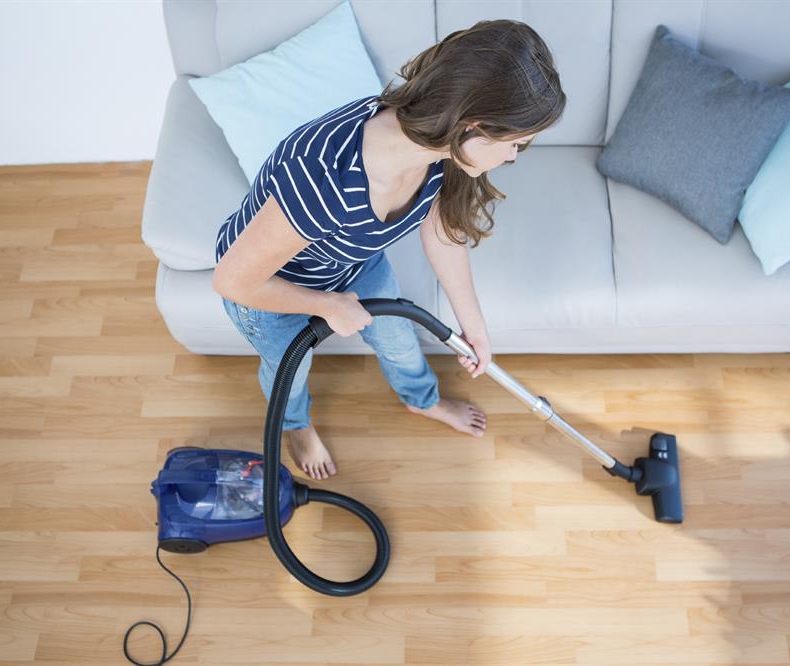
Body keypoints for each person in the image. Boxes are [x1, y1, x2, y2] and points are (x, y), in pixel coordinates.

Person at [212, 19, 566, 481]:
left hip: (351, 264)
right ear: (474, 126)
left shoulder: (440, 147)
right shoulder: (324, 179)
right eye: (515, 143)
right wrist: (326, 305)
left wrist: (473, 325)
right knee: (289, 371)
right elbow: (232, 280)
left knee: (400, 340)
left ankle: (424, 400)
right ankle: (296, 427)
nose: (514, 157)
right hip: (270, 289)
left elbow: (441, 229)